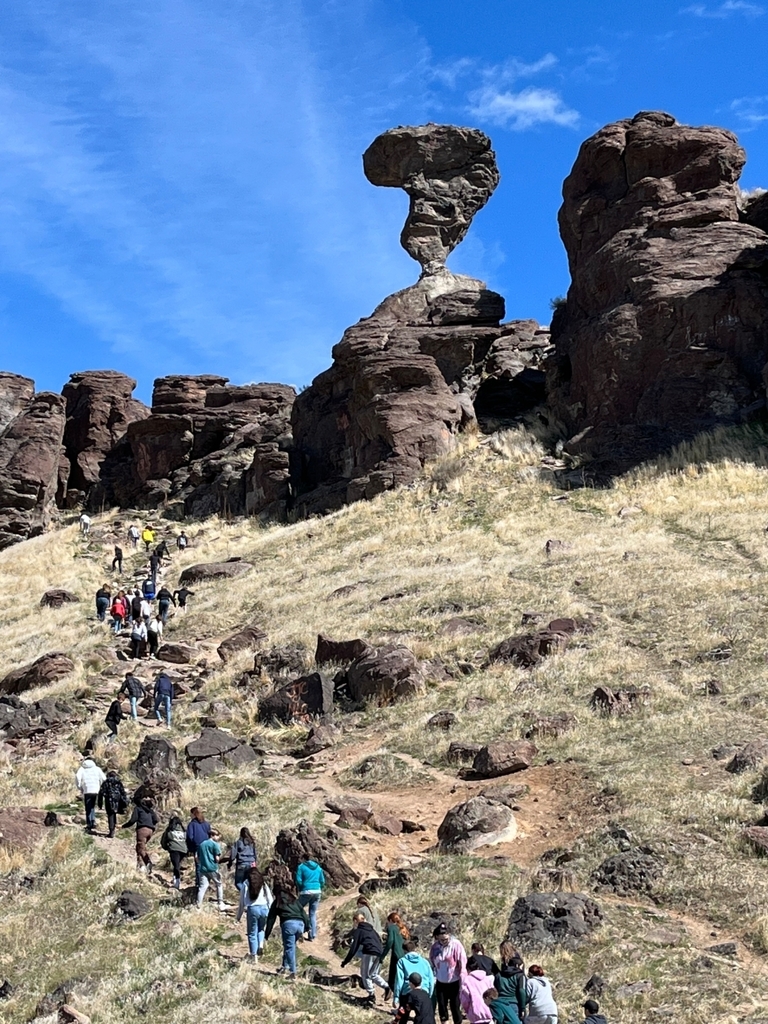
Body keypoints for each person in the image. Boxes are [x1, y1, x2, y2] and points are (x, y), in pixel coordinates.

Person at [341, 911, 388, 1005]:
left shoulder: (359, 931)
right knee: (373, 974)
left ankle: (371, 996)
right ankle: (387, 987)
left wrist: (345, 961)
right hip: (379, 952)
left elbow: (353, 948)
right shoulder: (372, 930)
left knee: (365, 975)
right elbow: (379, 941)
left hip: (369, 952)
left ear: (355, 921)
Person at [265, 881, 310, 980]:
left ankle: (293, 972)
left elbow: (271, 919)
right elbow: (303, 913)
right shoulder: (294, 900)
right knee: (289, 945)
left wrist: (267, 934)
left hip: (289, 925)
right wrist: (307, 927)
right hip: (300, 925)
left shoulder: (277, 902)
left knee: (289, 948)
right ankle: (284, 967)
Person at [430, 923, 467, 1024]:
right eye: (441, 939)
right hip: (440, 981)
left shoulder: (456, 945)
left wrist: (463, 984)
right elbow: (433, 963)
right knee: (442, 1005)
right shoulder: (435, 947)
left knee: (455, 1006)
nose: (443, 941)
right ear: (437, 937)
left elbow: (463, 965)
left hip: (454, 981)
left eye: (445, 939)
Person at [237, 865, 274, 959]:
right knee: (261, 929)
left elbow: (242, 901)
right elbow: (270, 898)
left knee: (252, 933)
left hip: (252, 909)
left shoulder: (246, 883)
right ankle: (260, 946)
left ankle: (253, 956)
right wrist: (272, 911)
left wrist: (239, 916)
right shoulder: (263, 883)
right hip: (265, 908)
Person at [394, 941, 435, 1009]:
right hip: (424, 991)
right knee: (422, 1015)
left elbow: (399, 980)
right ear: (415, 949)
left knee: (403, 1015)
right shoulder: (425, 962)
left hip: (408, 992)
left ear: (404, 950)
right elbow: (431, 979)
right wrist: (429, 994)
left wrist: (396, 997)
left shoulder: (402, 961)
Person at [123, 796, 159, 871]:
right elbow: (156, 819)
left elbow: (133, 820)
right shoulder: (150, 810)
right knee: (139, 847)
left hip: (142, 830)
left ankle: (148, 863)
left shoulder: (138, 808)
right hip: (150, 830)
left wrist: (124, 826)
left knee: (141, 848)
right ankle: (139, 865)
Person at [493, 943, 527, 1024]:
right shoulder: (519, 975)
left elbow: (495, 988)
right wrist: (523, 1007)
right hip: (513, 1002)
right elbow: (521, 991)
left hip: (500, 1002)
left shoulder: (499, 975)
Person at [295, 853, 325, 941]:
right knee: (312, 913)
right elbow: (322, 881)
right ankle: (312, 935)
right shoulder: (318, 867)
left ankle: (299, 931)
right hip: (317, 891)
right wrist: (319, 888)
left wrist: (301, 888)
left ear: (303, 858)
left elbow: (298, 880)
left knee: (297, 909)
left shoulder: (301, 867)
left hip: (306, 891)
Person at [196, 828, 226, 910]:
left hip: (203, 868)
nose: (218, 838)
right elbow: (217, 858)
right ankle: (220, 902)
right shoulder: (215, 845)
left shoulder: (201, 844)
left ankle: (199, 905)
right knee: (219, 884)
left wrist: (201, 863)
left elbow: (197, 857)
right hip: (212, 868)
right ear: (212, 835)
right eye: (217, 836)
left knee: (202, 887)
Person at [75, 755, 106, 834]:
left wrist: (80, 787)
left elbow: (77, 777)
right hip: (96, 790)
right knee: (92, 806)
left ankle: (89, 824)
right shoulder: (97, 769)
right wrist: (101, 786)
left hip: (87, 789)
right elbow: (103, 778)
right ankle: (93, 821)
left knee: (88, 807)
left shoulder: (82, 769)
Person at [382, 911, 410, 995]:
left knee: (392, 980)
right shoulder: (402, 928)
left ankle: (397, 997)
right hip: (404, 955)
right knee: (402, 978)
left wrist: (382, 956)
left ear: (390, 920)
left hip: (396, 955)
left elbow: (390, 941)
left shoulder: (391, 928)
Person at [160, 812, 189, 889]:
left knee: (176, 866)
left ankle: (177, 881)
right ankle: (176, 878)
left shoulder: (169, 830)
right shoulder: (184, 831)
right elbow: (187, 840)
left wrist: (166, 847)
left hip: (174, 849)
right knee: (177, 865)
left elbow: (164, 840)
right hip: (183, 850)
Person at [97, 769, 128, 838]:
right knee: (114, 813)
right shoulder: (119, 782)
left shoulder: (106, 782)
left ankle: (111, 830)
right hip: (117, 801)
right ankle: (113, 828)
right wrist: (125, 802)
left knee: (110, 814)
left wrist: (100, 803)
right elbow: (123, 792)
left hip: (109, 801)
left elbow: (101, 793)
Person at [186, 807, 212, 886]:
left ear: (194, 814)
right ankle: (208, 881)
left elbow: (190, 836)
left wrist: (190, 847)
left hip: (198, 847)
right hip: (207, 846)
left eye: (191, 814)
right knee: (207, 863)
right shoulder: (206, 824)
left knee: (199, 865)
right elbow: (210, 834)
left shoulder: (192, 824)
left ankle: (199, 883)